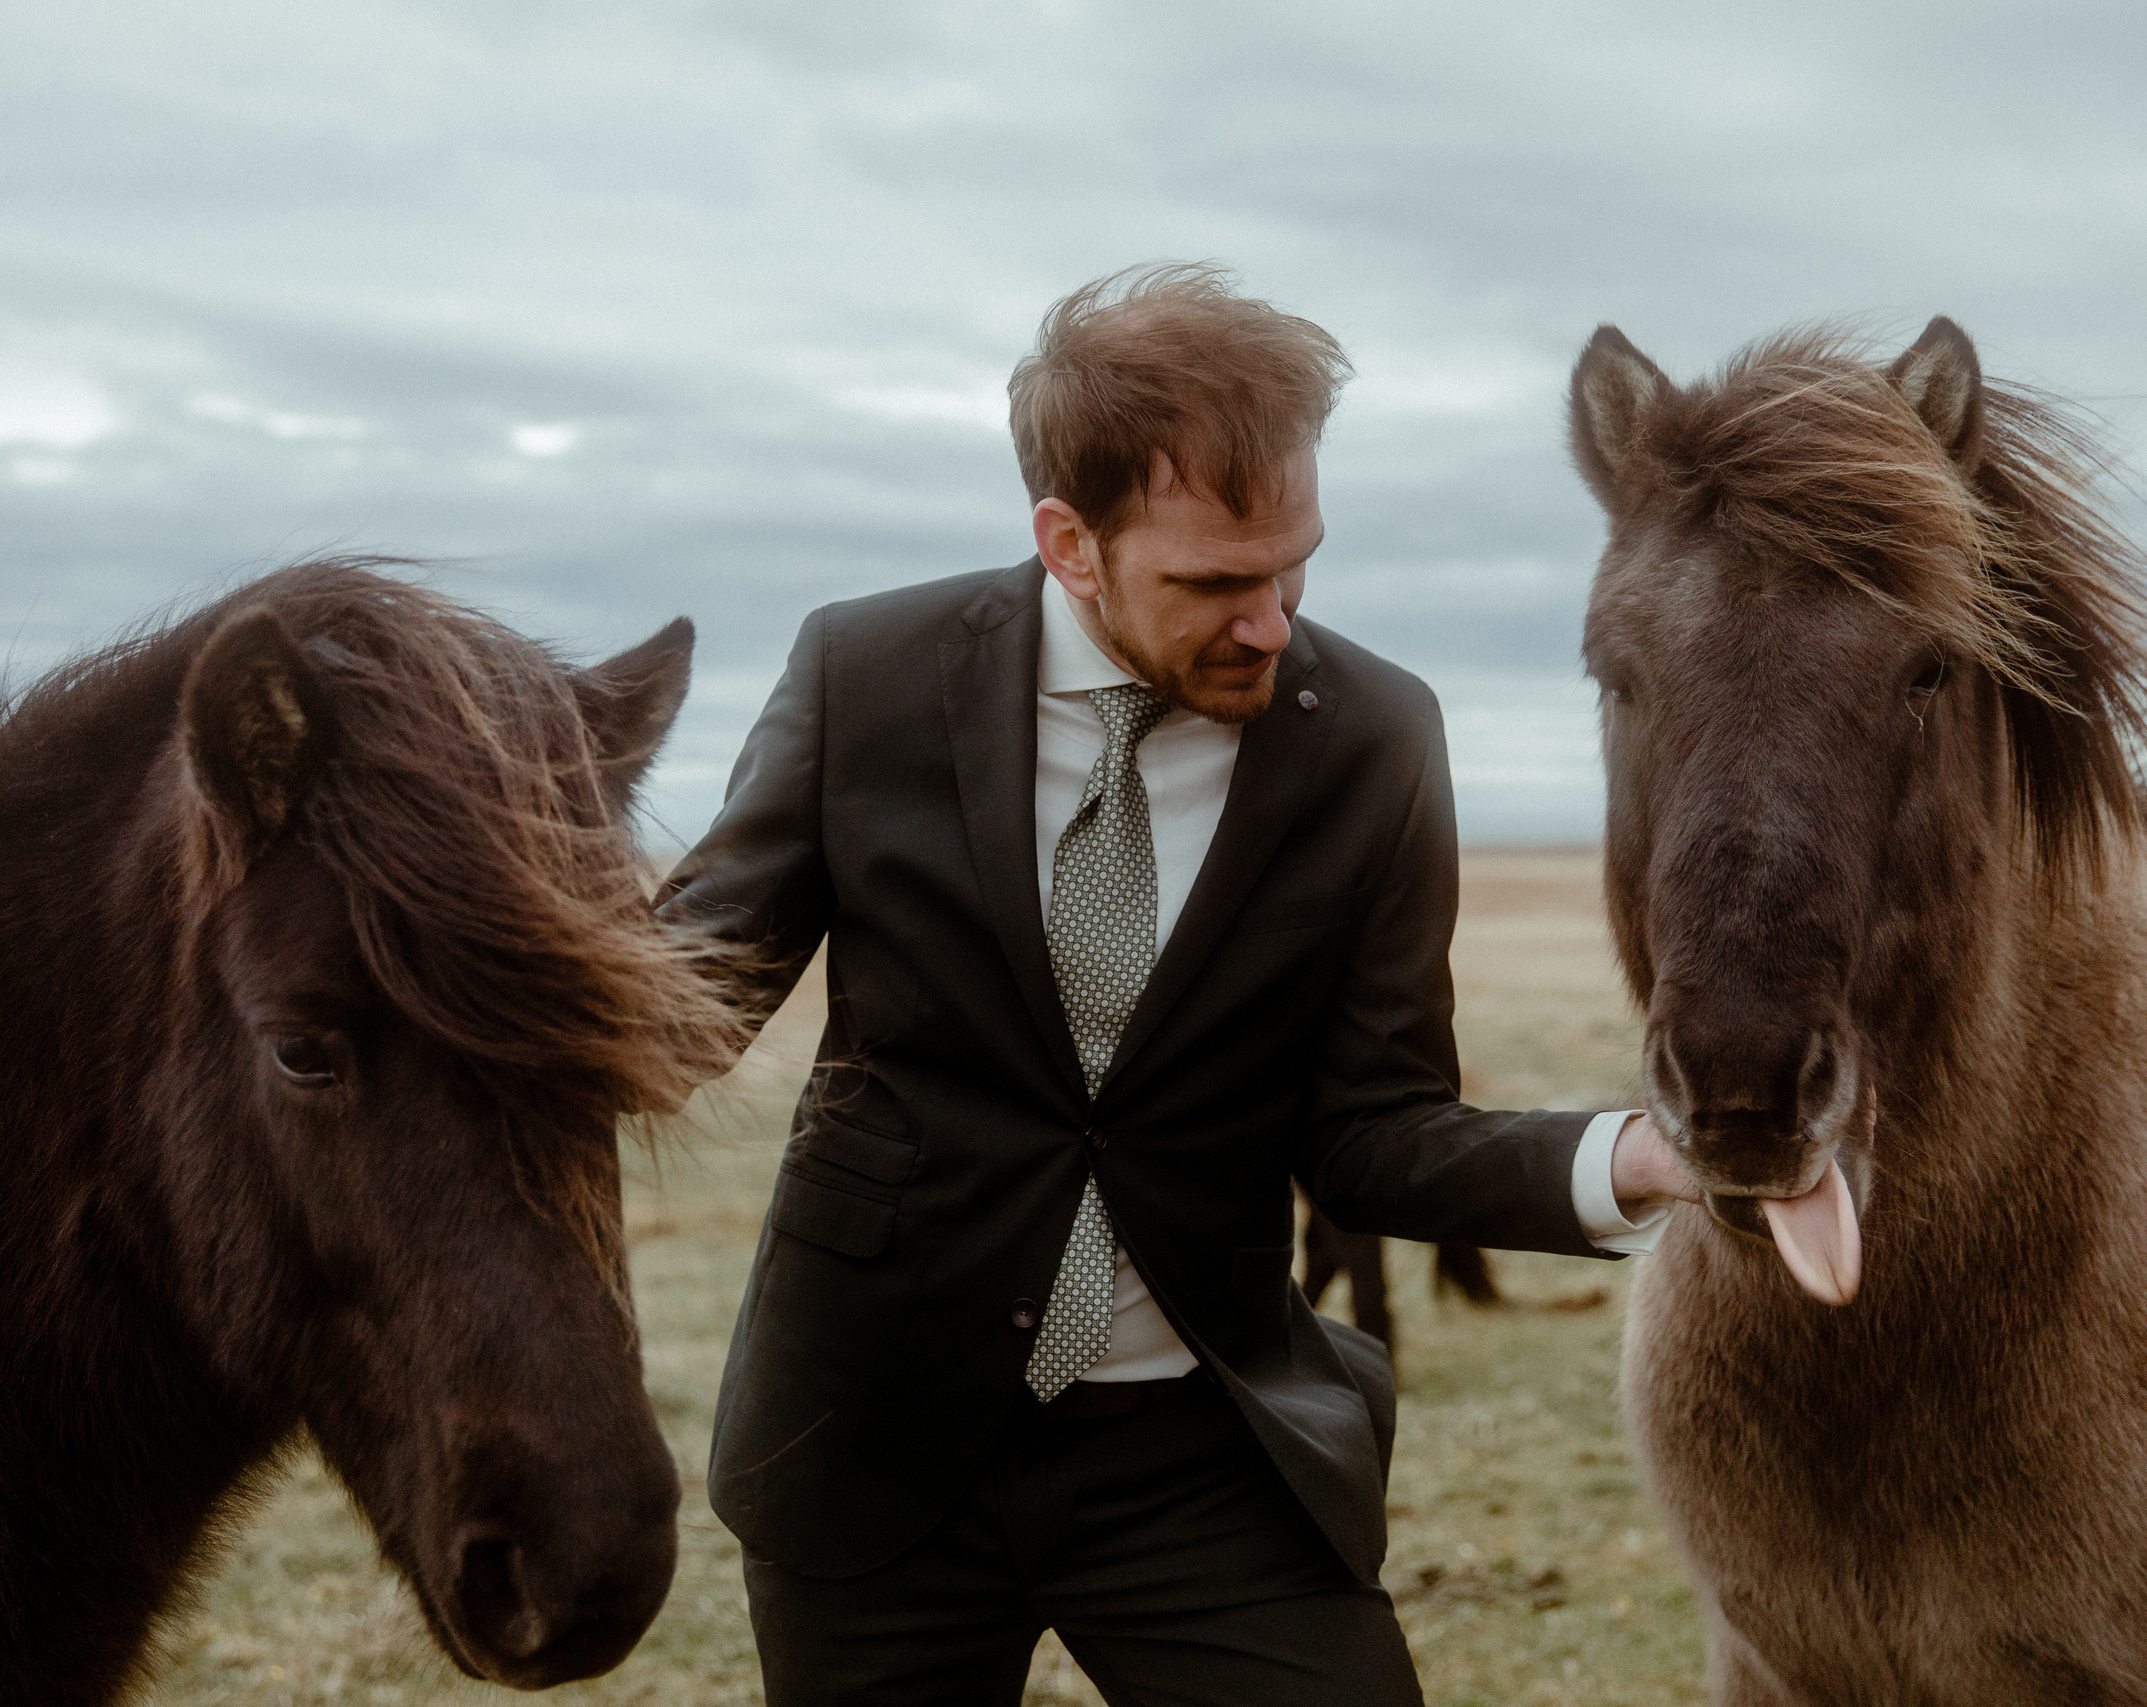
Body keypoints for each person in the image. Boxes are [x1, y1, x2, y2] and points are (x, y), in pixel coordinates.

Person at [656, 262, 1696, 1706]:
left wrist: (1632, 1157)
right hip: (872, 1443)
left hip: (1208, 1457)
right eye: (1216, 582)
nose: (1271, 621)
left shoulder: (1378, 736)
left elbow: (1373, 1127)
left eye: (1295, 566)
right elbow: (683, 1001)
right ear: (1068, 544)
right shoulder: (869, 672)